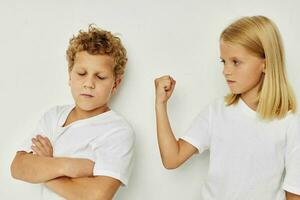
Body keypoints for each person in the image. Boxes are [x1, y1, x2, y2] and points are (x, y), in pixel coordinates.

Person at [155, 16, 300, 200]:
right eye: (223, 62)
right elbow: (172, 158)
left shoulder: (289, 124)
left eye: (236, 62)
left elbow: (295, 193)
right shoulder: (216, 111)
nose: (226, 71)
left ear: (266, 63)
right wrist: (161, 104)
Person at [10, 25, 135, 200]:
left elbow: (97, 196)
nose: (89, 84)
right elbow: (18, 167)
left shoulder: (117, 131)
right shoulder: (53, 117)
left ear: (115, 83)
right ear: (70, 75)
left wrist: (46, 165)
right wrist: (70, 166)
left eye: (100, 77)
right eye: (81, 73)